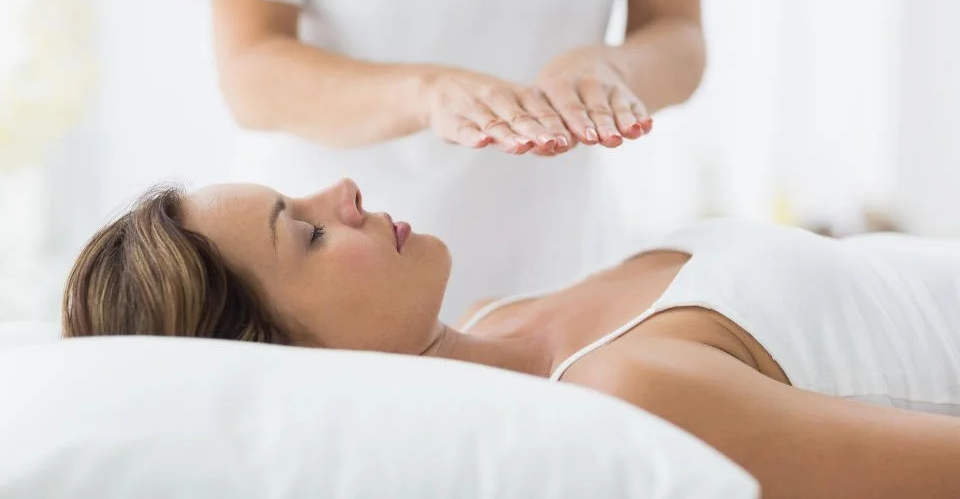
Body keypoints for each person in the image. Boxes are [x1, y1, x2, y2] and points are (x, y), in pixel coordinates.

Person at [63, 179, 960, 498]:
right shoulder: (629, 400)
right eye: (307, 233)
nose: (342, 192)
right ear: (294, 366)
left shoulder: (498, 317)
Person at [161, 0, 738, 318]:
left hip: (559, 254)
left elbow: (677, 31)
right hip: (329, 299)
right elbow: (251, 68)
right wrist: (427, 95)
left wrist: (611, 73)